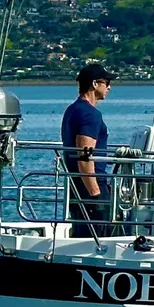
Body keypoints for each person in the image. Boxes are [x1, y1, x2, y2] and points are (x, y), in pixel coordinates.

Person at [62, 62, 114, 236]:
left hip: (76, 184)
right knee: (96, 237)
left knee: (81, 235)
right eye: (107, 83)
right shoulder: (90, 114)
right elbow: (84, 155)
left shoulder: (72, 110)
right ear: (94, 83)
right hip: (91, 185)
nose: (109, 87)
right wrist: (95, 194)